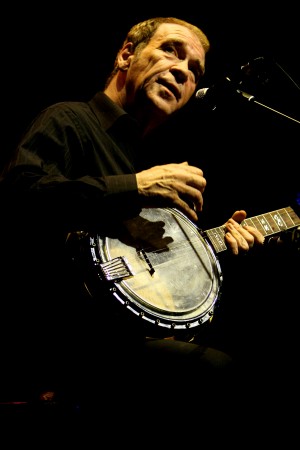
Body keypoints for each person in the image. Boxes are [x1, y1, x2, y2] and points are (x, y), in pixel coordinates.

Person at [0, 17, 267, 420]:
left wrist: (214, 252)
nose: (182, 70)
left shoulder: (148, 167)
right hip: (57, 342)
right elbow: (17, 196)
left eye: (194, 71)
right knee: (218, 372)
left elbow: (158, 287)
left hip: (120, 345)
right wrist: (135, 186)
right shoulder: (70, 120)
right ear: (127, 53)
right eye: (170, 51)